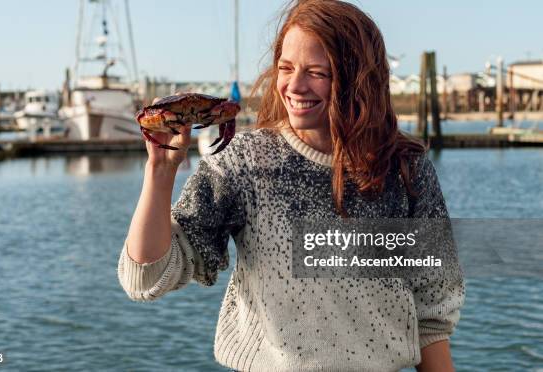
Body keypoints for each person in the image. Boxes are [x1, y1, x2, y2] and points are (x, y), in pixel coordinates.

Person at [117, 0, 465, 371]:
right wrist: (159, 171)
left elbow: (432, 312)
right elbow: (148, 278)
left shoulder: (405, 168)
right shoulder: (243, 163)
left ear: (358, 77)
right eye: (285, 68)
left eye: (316, 72)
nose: (295, 86)